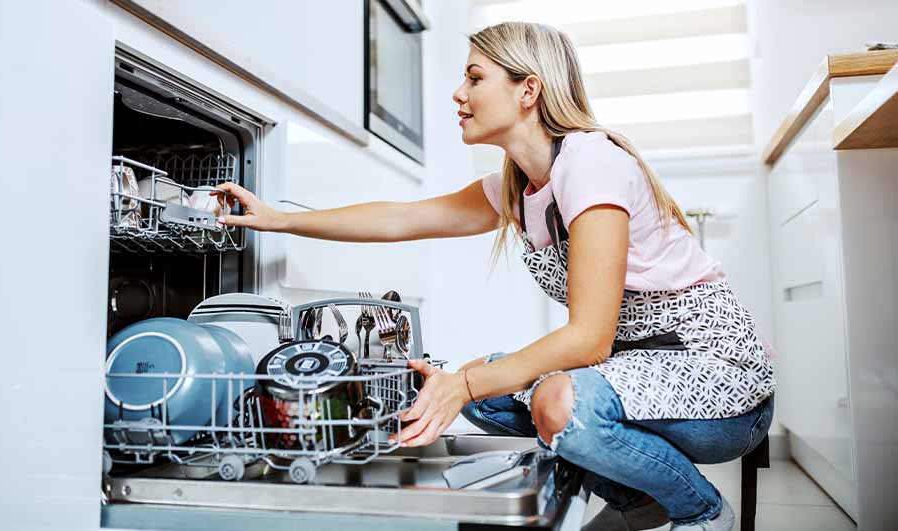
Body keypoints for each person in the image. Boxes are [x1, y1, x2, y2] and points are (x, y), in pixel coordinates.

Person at [215, 21, 774, 531]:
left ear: (527, 90)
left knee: (550, 401)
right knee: (483, 389)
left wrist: (462, 384)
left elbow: (589, 337)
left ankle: (701, 511)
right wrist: (279, 218)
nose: (459, 94)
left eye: (475, 78)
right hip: (639, 370)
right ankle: (642, 501)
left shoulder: (591, 161)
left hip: (721, 383)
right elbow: (401, 218)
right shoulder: (516, 184)